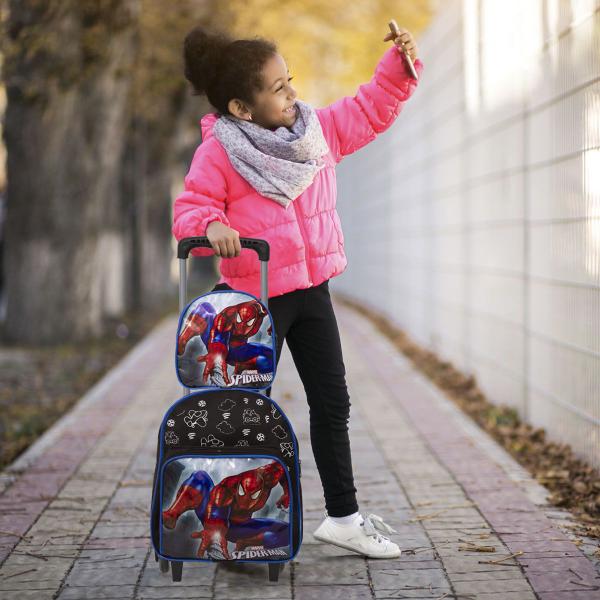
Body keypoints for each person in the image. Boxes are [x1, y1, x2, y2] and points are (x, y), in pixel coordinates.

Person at [172, 24, 423, 559]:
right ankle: (235, 529)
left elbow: (367, 109)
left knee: (333, 402)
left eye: (290, 81)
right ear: (242, 107)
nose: (292, 94)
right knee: (244, 412)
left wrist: (397, 69)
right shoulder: (220, 151)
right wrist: (210, 225)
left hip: (313, 294)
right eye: (278, 88)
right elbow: (191, 207)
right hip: (253, 301)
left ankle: (344, 517)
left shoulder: (314, 131)